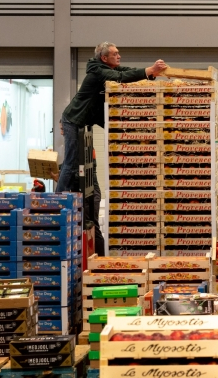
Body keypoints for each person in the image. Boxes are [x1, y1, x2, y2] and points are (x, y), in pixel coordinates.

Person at [56, 42, 167, 192]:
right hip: (74, 119)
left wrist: (150, 73)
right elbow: (121, 77)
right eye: (115, 54)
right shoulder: (99, 72)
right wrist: (150, 70)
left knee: (92, 155)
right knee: (72, 161)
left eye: (118, 53)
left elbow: (128, 71)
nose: (119, 56)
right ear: (104, 58)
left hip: (90, 117)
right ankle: (60, 198)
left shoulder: (107, 68)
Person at [51, 120, 105, 256]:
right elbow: (68, 168)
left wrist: (63, 178)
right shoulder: (74, 148)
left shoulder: (84, 147)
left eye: (63, 129)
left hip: (91, 193)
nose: (62, 133)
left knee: (93, 226)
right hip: (86, 192)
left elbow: (76, 171)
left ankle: (101, 261)